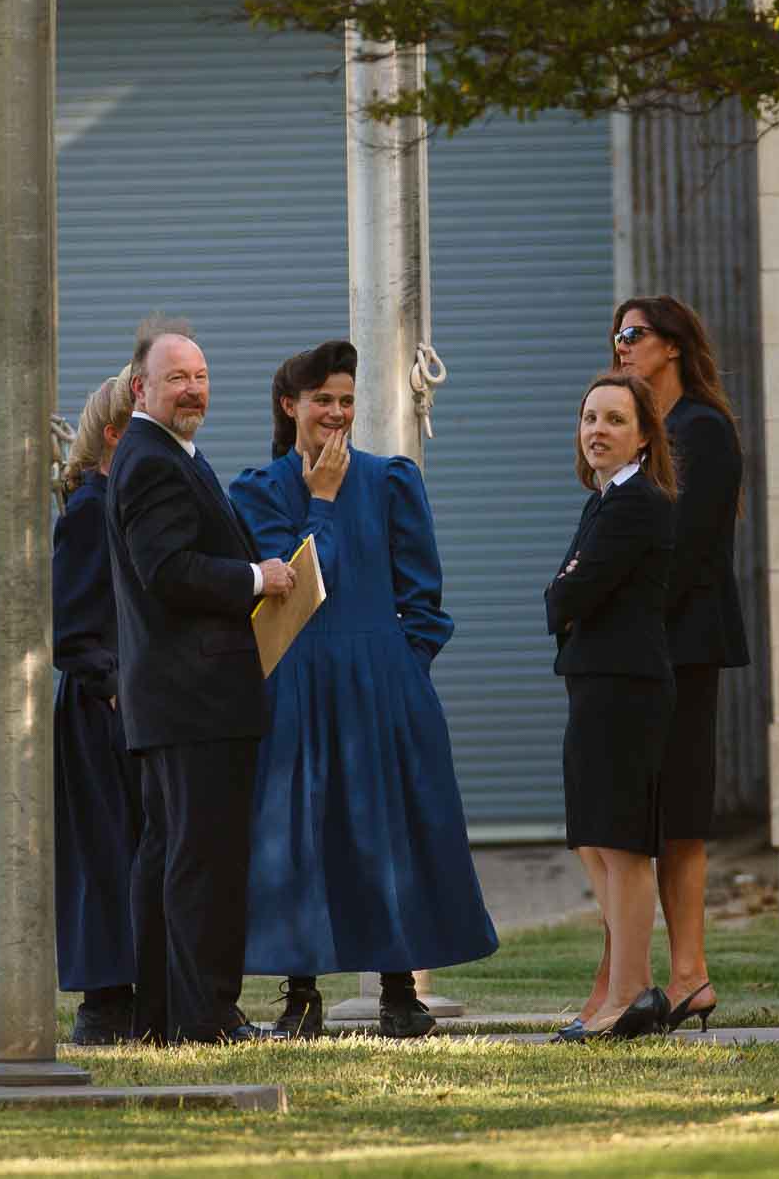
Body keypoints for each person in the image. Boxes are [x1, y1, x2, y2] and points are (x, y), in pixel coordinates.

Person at [228, 340, 498, 1040]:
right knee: (298, 837)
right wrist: (320, 500)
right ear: (291, 406)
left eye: (347, 401)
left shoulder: (392, 481)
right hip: (296, 683)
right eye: (324, 401)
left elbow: (425, 597)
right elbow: (299, 587)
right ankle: (302, 994)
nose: (338, 414)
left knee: (389, 833)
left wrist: (403, 668)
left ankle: (399, 989)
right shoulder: (257, 490)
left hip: (381, 683)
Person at [104, 318, 297, 1044]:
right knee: (203, 864)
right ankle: (206, 1017)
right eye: (177, 376)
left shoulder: (169, 452)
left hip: (179, 702)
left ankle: (162, 1018)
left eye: (202, 376)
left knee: (169, 858)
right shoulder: (153, 458)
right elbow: (168, 571)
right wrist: (258, 576)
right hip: (194, 701)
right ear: (139, 387)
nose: (193, 389)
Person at [610, 294, 751, 1034]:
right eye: (616, 336)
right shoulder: (641, 433)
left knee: (681, 815)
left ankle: (691, 973)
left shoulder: (703, 430)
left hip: (683, 646)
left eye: (633, 335)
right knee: (639, 814)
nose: (621, 346)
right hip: (636, 649)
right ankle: (649, 978)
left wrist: (634, 620)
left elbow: (688, 551)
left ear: (671, 346)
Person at [546, 372, 678, 1041]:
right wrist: (567, 589)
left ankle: (628, 996)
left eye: (615, 420)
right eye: (589, 416)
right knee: (593, 843)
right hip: (595, 683)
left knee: (623, 848)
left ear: (644, 437)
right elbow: (568, 588)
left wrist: (566, 591)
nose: (597, 429)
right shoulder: (603, 502)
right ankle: (634, 988)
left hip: (626, 688)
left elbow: (569, 594)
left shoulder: (638, 505)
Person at [50, 366, 142, 1045]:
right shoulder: (89, 510)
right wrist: (112, 689)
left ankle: (134, 993)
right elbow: (73, 629)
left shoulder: (122, 503)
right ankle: (104, 1002)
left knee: (134, 847)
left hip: (130, 700)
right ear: (114, 436)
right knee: (104, 852)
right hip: (99, 711)